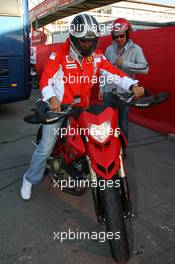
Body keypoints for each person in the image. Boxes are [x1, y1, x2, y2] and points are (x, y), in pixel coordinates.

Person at [20, 14, 144, 200]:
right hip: (59, 108)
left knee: (97, 140)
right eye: (84, 41)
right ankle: (30, 178)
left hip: (83, 108)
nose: (88, 44)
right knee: (46, 147)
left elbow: (114, 73)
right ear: (74, 38)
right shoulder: (60, 54)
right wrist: (52, 98)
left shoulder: (96, 56)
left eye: (91, 40)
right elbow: (45, 80)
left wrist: (132, 84)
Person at [100, 18, 149, 144]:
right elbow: (103, 69)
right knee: (106, 121)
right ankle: (107, 145)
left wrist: (125, 63)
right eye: (116, 37)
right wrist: (101, 87)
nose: (119, 39)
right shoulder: (109, 50)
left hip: (125, 94)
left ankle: (123, 147)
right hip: (109, 91)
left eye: (122, 36)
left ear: (127, 34)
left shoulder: (136, 49)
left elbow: (145, 68)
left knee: (123, 122)